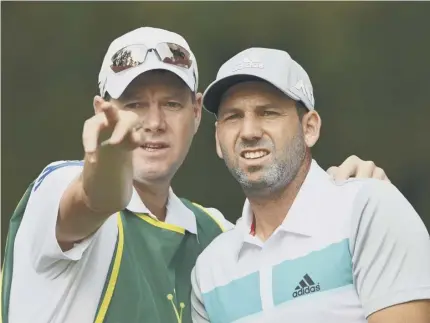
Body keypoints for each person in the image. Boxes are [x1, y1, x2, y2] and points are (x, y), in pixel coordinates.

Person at [1, 28, 390, 323]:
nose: (153, 123)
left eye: (171, 104)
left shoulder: (216, 235)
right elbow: (94, 198)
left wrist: (341, 197)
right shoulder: (55, 189)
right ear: (103, 112)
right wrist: (111, 155)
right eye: (134, 105)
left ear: (196, 112)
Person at [191, 47, 430, 323]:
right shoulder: (209, 272)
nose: (249, 132)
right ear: (218, 139)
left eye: (268, 113)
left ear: (310, 128)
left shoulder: (368, 211)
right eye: (233, 117)